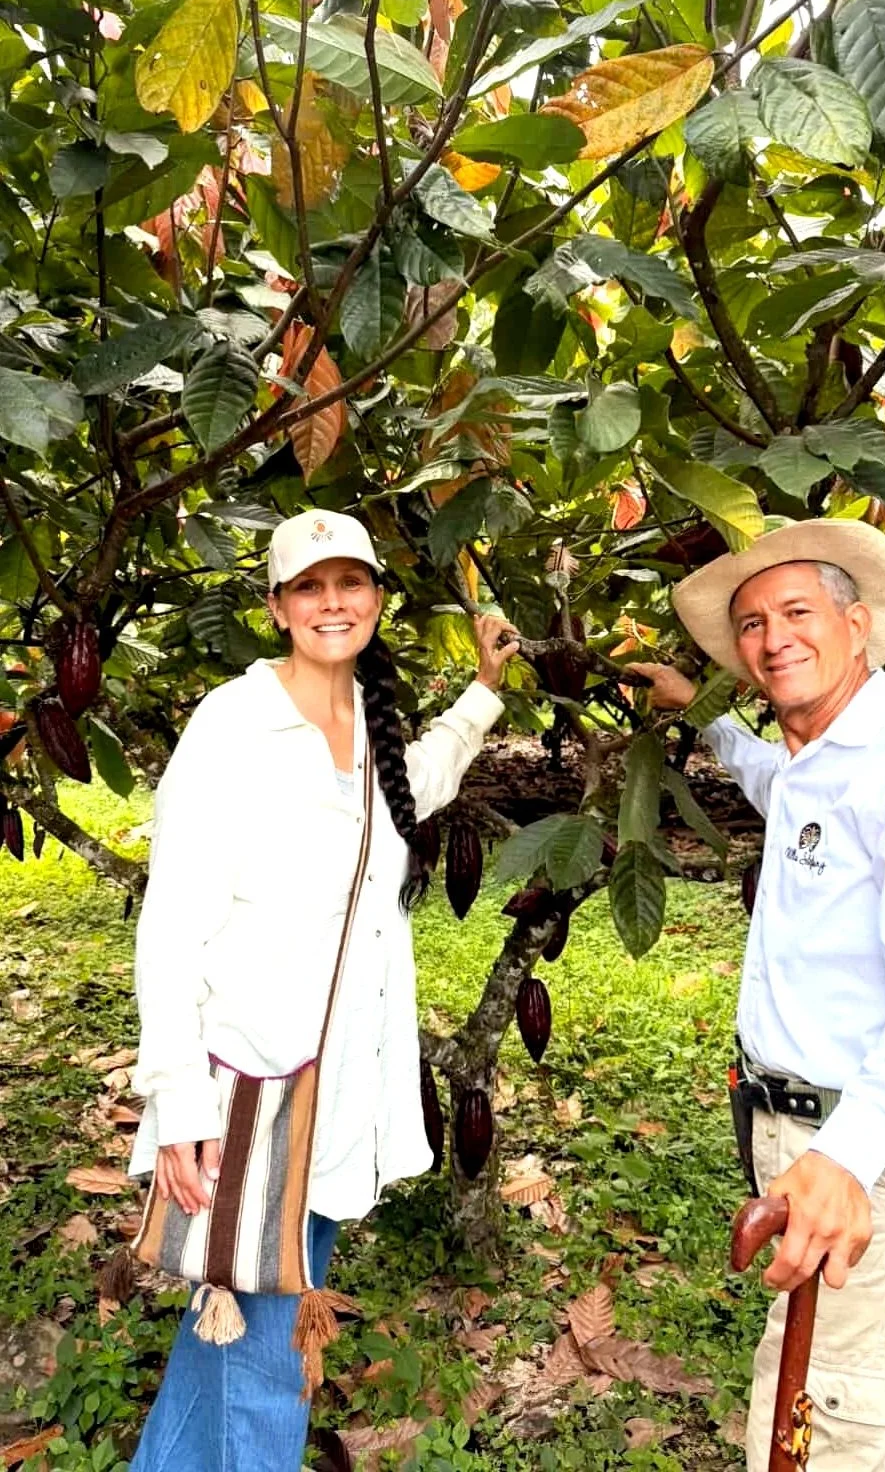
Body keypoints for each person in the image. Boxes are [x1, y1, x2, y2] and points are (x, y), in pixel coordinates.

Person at [126, 508, 518, 1472]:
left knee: (233, 1325)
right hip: (247, 1088)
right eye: (309, 586)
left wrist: (483, 694)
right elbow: (171, 919)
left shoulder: (365, 727)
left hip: (338, 1085)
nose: (332, 602)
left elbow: (411, 788)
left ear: (378, 600)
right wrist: (177, 1097)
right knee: (261, 1349)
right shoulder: (233, 723)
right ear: (276, 607)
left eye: (351, 583)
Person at [632, 518, 885, 1472]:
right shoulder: (815, 756)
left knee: (818, 1420)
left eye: (797, 612)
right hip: (803, 1134)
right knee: (880, 1410)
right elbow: (770, 779)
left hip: (862, 1155)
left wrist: (840, 1157)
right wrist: (701, 715)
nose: (771, 638)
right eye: (751, 623)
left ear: (858, 625)